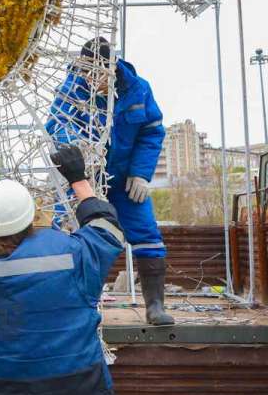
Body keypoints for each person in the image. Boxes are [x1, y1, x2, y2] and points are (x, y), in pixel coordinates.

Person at [0, 145, 124, 395]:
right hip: (76, 393)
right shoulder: (70, 254)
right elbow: (107, 230)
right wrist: (78, 180)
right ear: (31, 217)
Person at [45, 36, 173, 325]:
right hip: (83, 179)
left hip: (125, 179)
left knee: (146, 233)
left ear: (112, 69)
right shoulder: (71, 88)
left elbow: (152, 131)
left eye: (97, 73)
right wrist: (81, 165)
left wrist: (141, 173)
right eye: (86, 72)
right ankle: (65, 307)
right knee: (66, 232)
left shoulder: (138, 89)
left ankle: (155, 306)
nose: (91, 79)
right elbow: (56, 126)